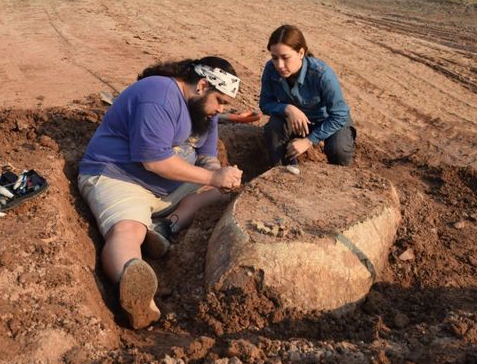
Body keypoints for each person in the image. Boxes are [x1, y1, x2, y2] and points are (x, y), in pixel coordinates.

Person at [78, 56, 243, 329]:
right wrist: (213, 176)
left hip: (169, 185)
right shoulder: (159, 95)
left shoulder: (204, 111)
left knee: (224, 192)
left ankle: (166, 227)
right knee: (129, 230)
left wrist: (219, 176)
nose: (221, 110)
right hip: (120, 177)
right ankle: (135, 290)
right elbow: (153, 161)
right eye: (220, 101)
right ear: (202, 86)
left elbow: (207, 156)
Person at [259, 25, 356, 166]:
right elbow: (265, 103)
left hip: (327, 121)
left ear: (301, 53)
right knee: (274, 128)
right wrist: (287, 109)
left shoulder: (322, 74)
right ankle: (283, 176)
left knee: (338, 150)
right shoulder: (270, 69)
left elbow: (340, 114)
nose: (279, 65)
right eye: (274, 58)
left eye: (285, 57)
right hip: (296, 121)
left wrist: (309, 140)